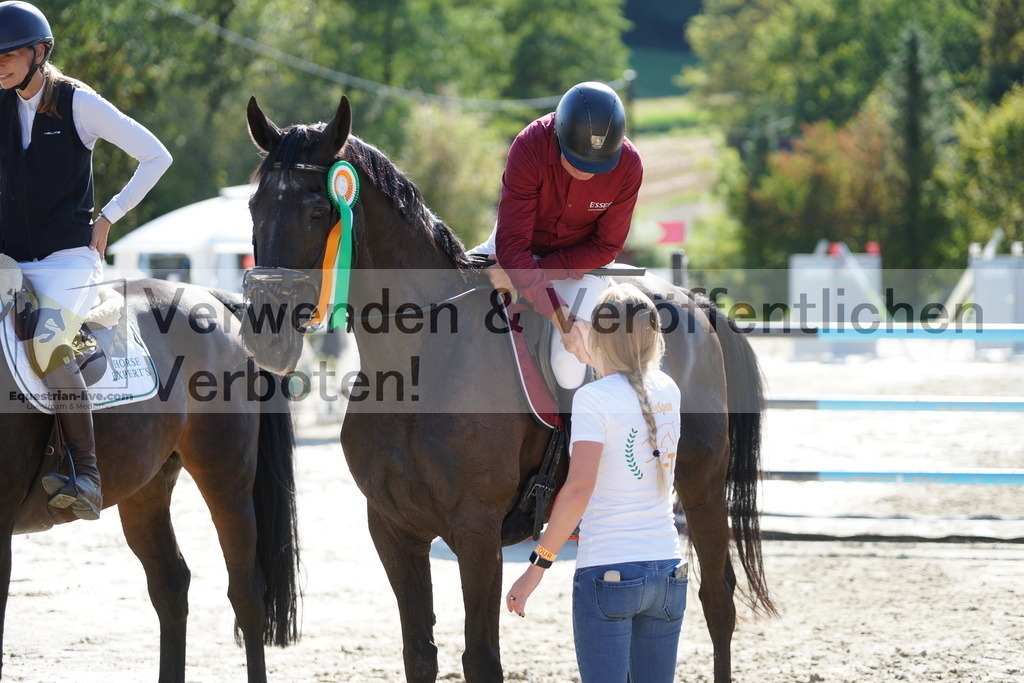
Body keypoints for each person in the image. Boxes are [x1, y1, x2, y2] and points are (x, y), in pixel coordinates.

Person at [0, 1, 172, 520]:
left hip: (68, 259)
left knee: (50, 343)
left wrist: (110, 215)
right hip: (8, 259)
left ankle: (87, 472)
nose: (0, 62)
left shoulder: (78, 103)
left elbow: (155, 155)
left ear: (39, 53)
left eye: (9, 53)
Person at [505, 283, 685, 683]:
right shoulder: (667, 389)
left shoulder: (593, 399)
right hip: (668, 570)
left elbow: (578, 491)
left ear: (600, 334)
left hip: (609, 570)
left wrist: (536, 567)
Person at [468, 81, 643, 389]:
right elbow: (511, 246)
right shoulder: (529, 145)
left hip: (581, 266)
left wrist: (556, 309)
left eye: (600, 166)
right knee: (442, 295)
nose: (588, 172)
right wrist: (521, 271)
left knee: (569, 365)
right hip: (513, 248)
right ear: (559, 135)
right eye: (577, 160)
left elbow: (606, 247)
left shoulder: (629, 166)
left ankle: (568, 437)